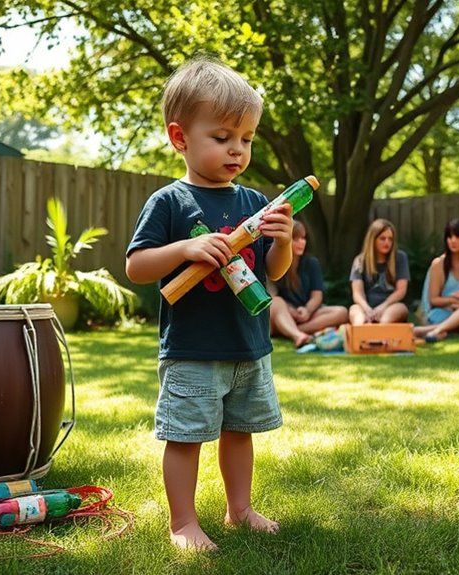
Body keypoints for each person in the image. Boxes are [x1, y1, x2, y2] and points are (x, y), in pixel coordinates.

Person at [125, 58, 293, 551]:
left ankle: (239, 510)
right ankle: (182, 523)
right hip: (193, 350)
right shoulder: (170, 203)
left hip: (248, 347)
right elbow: (138, 266)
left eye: (246, 138)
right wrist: (185, 249)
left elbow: (273, 271)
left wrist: (282, 242)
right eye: (222, 137)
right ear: (180, 138)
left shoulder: (256, 204)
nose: (236, 149)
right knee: (186, 437)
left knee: (241, 432)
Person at [269, 220, 349, 347]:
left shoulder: (311, 263)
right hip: (284, 312)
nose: (301, 242)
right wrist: (291, 310)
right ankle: (296, 335)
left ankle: (291, 331)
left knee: (342, 312)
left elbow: (317, 296)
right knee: (276, 302)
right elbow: (271, 296)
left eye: (303, 238)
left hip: (307, 313)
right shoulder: (274, 262)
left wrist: (307, 310)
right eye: (296, 239)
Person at [413, 218, 459, 343]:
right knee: (447, 315)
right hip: (444, 312)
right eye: (450, 237)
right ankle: (440, 329)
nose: (453, 241)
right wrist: (452, 301)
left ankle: (434, 330)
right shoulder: (438, 264)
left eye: (458, 237)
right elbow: (433, 300)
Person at [348, 218, 410, 325]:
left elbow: (401, 291)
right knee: (355, 311)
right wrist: (367, 309)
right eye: (382, 238)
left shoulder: (400, 257)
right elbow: (357, 293)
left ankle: (379, 333)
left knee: (388, 316)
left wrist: (383, 307)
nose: (387, 242)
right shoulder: (360, 261)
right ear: (373, 240)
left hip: (391, 306)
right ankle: (361, 335)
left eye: (390, 239)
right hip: (367, 306)